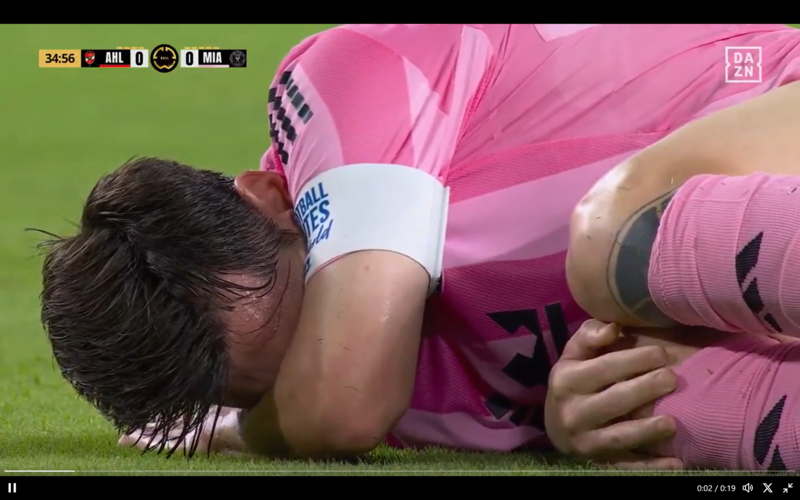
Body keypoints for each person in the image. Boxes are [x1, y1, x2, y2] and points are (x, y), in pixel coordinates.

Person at [39, 24, 800, 470]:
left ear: (270, 198)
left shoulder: (346, 75)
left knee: (614, 241)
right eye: (272, 384)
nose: (330, 352)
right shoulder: (394, 415)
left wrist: (245, 428)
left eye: (315, 314)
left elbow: (339, 404)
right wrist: (566, 429)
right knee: (651, 395)